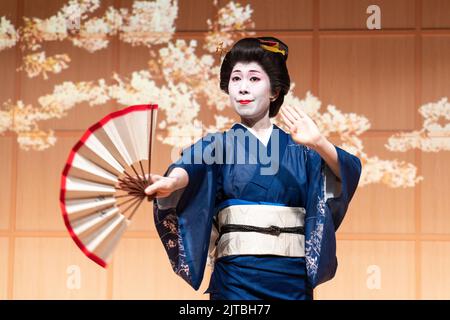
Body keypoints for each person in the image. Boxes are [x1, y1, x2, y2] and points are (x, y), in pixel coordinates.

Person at [145, 37, 362, 300]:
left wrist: (319, 142)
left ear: (274, 91)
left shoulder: (303, 150)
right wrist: (172, 182)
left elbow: (347, 171)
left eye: (254, 79)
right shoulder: (219, 143)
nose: (242, 89)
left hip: (292, 279)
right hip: (235, 279)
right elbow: (191, 164)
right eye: (236, 79)